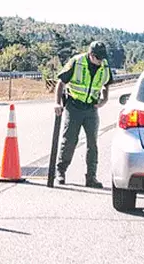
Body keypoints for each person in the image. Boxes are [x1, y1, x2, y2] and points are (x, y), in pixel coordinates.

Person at [54, 41, 113, 188]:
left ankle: (91, 177)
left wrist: (104, 100)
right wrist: (57, 103)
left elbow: (106, 84)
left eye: (102, 58)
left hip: (91, 109)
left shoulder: (104, 65)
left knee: (92, 143)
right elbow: (61, 82)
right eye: (98, 58)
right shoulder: (77, 61)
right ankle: (60, 172)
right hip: (74, 106)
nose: (100, 61)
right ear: (91, 55)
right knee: (69, 140)